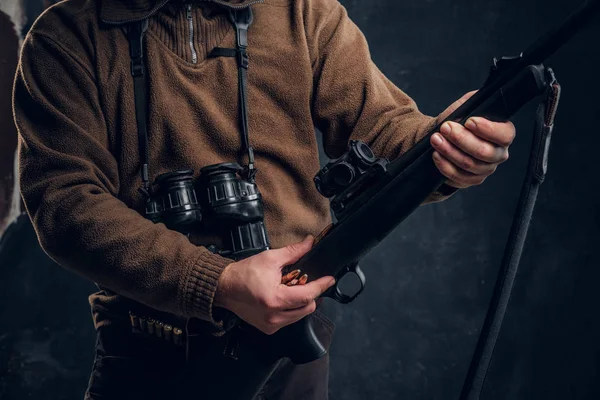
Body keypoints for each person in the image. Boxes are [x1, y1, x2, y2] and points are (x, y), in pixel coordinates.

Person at [12, 0, 516, 398]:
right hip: (144, 350)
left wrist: (444, 146)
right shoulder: (65, 37)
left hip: (289, 349)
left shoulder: (305, 11)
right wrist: (217, 282)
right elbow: (64, 203)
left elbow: (383, 130)